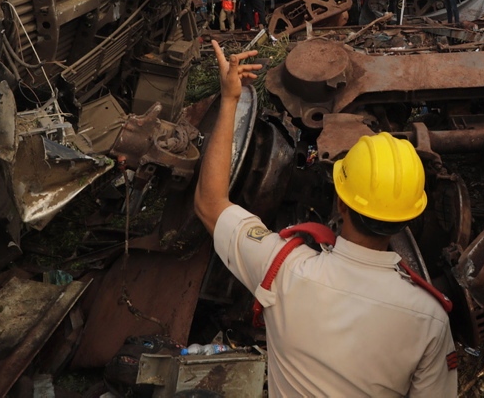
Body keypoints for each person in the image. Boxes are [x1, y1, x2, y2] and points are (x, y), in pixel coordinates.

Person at [194, 41, 458, 397]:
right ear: (408, 219)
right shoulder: (430, 320)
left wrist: (230, 100)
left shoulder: (282, 267)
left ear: (342, 204)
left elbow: (210, 203)